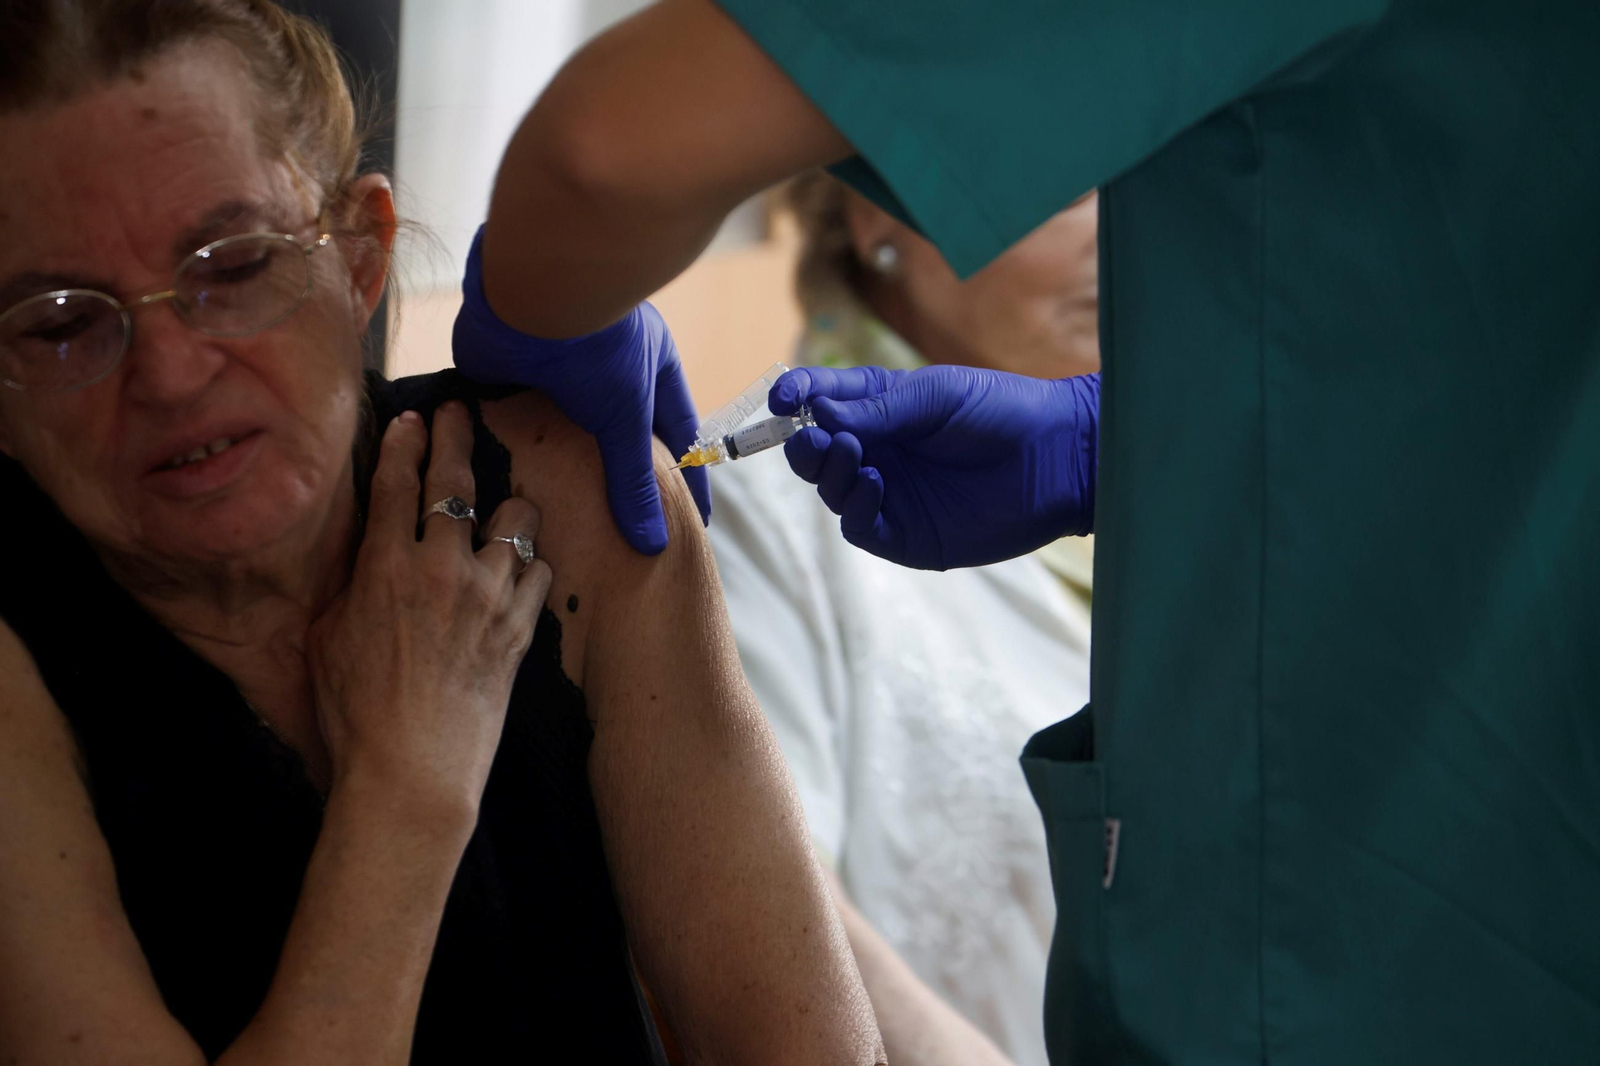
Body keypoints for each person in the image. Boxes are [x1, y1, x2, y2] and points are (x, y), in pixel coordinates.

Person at [449, 1, 1600, 1063]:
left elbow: (606, 146)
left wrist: (545, 316)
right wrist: (1139, 449)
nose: (1109, 233)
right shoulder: (768, 531)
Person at [0, 4, 883, 1064]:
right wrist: (406, 788)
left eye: (232, 266)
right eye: (62, 321)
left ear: (361, 258)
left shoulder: (557, 494)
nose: (172, 374)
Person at [708, 173, 1098, 1066]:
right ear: (882, 207)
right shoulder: (766, 514)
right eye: (1069, 183)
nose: (1116, 231)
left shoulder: (1161, 474)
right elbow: (764, 919)